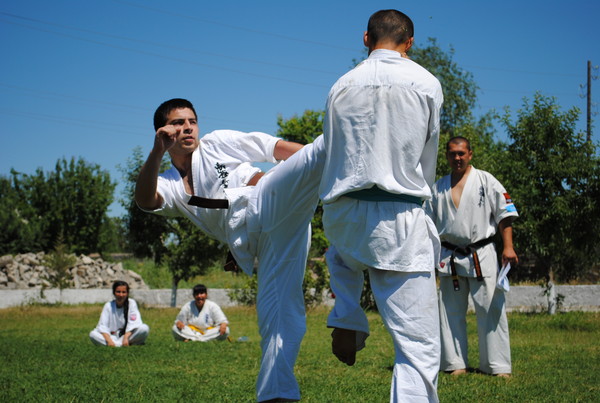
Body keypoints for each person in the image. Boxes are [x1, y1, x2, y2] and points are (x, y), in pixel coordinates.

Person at [135, 98, 325, 402]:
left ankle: (346, 134)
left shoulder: (216, 143)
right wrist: (157, 152)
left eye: (192, 121)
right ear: (162, 131)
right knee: (276, 313)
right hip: (260, 240)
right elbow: (146, 201)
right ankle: (278, 394)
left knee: (316, 153)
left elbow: (274, 148)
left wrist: (316, 162)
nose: (187, 128)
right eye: (178, 123)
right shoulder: (169, 183)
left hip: (266, 199)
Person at [319, 10, 443, 402]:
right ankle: (347, 316)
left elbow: (333, 150)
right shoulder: (426, 83)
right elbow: (428, 153)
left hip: (343, 211)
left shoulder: (341, 85)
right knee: (418, 344)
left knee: (343, 257)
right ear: (410, 43)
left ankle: (347, 314)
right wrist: (417, 190)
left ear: (366, 38)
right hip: (398, 215)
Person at [425, 136, 518, 378]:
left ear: (470, 154)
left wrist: (508, 247)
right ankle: (455, 363)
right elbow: (427, 225)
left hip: (481, 252)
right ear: (447, 156)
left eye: (461, 153)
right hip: (449, 256)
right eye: (452, 153)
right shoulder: (438, 187)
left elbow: (505, 214)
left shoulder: (486, 180)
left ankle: (497, 366)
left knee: (491, 308)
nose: (457, 158)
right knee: (449, 312)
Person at [89, 280, 150, 347]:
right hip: (112, 337)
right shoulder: (108, 306)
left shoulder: (131, 303)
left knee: (144, 328)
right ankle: (120, 344)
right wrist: (109, 340)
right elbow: (102, 326)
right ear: (114, 293)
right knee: (93, 334)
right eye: (118, 292)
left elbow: (134, 324)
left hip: (127, 336)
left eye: (124, 292)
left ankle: (117, 344)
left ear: (127, 293)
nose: (121, 295)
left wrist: (125, 337)